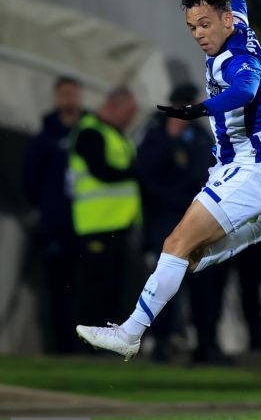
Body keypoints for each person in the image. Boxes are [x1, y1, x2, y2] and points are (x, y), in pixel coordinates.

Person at [76, 0, 261, 360]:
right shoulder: (237, 20)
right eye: (192, 27)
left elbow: (244, 90)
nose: (200, 34)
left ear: (225, 21)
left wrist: (199, 109)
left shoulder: (238, 59)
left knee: (174, 247)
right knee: (187, 257)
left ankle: (130, 335)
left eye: (205, 24)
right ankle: (260, 229)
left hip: (250, 172)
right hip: (236, 168)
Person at [135, 84, 214, 362]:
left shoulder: (201, 135)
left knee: (204, 283)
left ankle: (206, 343)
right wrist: (171, 140)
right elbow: (145, 173)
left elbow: (206, 170)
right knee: (166, 283)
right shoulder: (155, 132)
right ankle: (162, 343)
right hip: (166, 220)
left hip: (197, 220)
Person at [69, 87, 141, 332]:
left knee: (115, 287)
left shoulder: (117, 134)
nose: (130, 119)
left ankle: (108, 336)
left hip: (119, 224)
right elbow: (100, 171)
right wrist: (136, 173)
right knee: (94, 288)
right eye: (129, 113)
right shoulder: (90, 132)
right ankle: (88, 341)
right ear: (114, 106)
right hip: (96, 226)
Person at [22, 76, 85, 353]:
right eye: (64, 93)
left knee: (87, 287)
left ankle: (88, 345)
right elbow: (30, 181)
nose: (69, 99)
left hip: (88, 224)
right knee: (59, 289)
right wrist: (47, 210)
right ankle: (62, 346)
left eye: (73, 93)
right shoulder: (44, 138)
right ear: (56, 97)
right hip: (56, 226)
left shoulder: (89, 133)